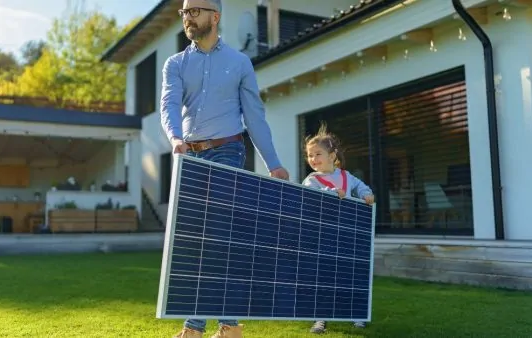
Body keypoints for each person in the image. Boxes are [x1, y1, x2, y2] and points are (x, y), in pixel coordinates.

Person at [160, 0, 289, 337]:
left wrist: (273, 163)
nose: (187, 17)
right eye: (184, 12)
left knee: (219, 237)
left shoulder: (240, 62)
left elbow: (255, 116)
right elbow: (169, 105)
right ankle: (228, 326)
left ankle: (203, 328)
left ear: (214, 17)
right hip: (191, 155)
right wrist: (175, 138)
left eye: (194, 11)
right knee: (200, 241)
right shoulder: (175, 64)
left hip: (228, 152)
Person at [300, 122, 375, 334]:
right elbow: (313, 197)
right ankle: (320, 318)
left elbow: (361, 187)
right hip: (324, 236)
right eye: (310, 155)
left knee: (350, 274)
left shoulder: (346, 176)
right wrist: (332, 191)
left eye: (318, 154)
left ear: (332, 155)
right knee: (323, 277)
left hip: (347, 235)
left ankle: (357, 314)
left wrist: (366, 195)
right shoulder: (311, 180)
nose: (313, 159)